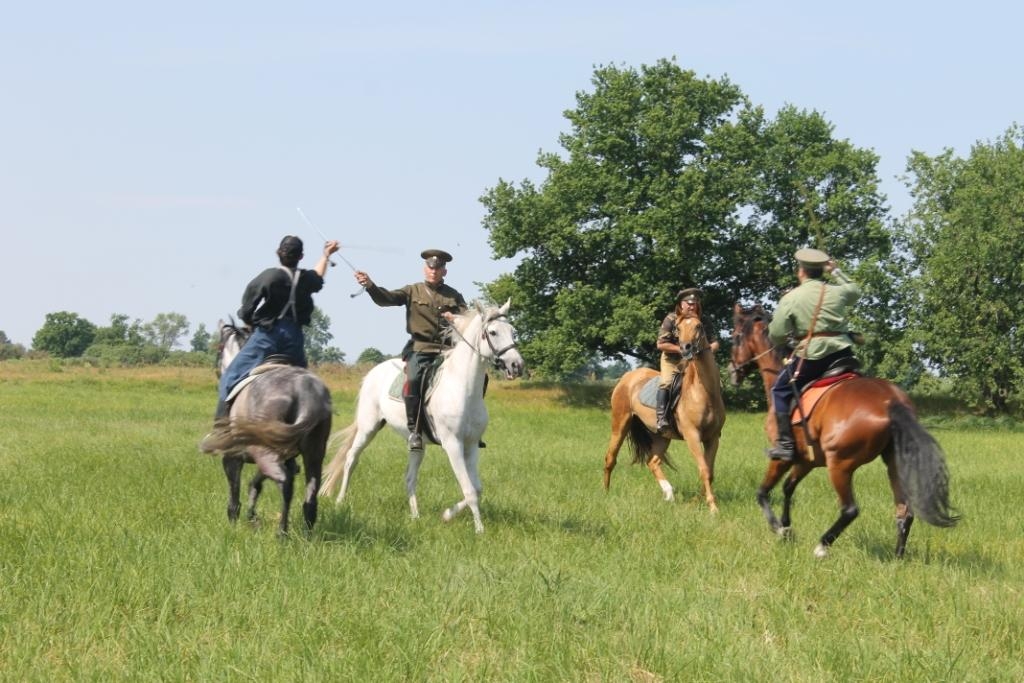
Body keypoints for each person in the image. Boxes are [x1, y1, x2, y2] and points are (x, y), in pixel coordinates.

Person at [208, 235, 340, 428]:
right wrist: (326, 255)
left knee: (230, 377)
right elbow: (318, 277)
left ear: (278, 253)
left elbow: (246, 309)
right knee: (306, 384)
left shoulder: (268, 276)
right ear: (301, 256)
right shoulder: (306, 279)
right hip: (294, 340)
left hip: (267, 337)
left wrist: (250, 322)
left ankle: (220, 428)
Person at [354, 249, 467, 450]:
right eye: (430, 268)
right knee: (414, 380)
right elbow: (386, 299)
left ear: (444, 271)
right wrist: (370, 286)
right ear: (425, 269)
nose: (433, 271)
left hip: (449, 351)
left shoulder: (454, 295)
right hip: (421, 349)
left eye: (438, 268)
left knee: (476, 378)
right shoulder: (412, 291)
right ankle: (415, 431)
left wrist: (456, 318)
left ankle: (469, 427)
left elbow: (469, 320)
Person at [766, 248, 860, 461]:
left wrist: (786, 339)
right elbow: (855, 291)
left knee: (780, 390)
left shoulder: (792, 297)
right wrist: (835, 271)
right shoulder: (837, 292)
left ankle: (785, 445)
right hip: (843, 353)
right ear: (821, 270)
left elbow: (776, 334)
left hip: (812, 358)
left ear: (801, 271)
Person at [654, 288, 720, 433]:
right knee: (666, 382)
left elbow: (715, 342)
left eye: (694, 303)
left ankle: (717, 418)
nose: (691, 306)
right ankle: (662, 418)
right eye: (688, 303)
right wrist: (681, 349)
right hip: (672, 360)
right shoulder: (671, 319)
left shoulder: (703, 320)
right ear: (681, 304)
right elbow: (661, 344)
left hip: (696, 360)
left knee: (715, 381)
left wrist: (707, 351)